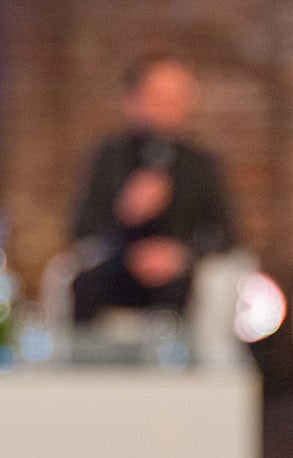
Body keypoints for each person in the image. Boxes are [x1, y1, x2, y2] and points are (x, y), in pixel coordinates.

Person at [69, 55, 237, 323]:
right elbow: (81, 230)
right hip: (117, 267)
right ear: (132, 100)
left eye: (179, 98)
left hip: (178, 275)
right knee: (85, 286)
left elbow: (226, 235)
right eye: (159, 98)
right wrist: (124, 211)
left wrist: (181, 255)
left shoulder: (201, 164)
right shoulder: (109, 158)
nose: (170, 108)